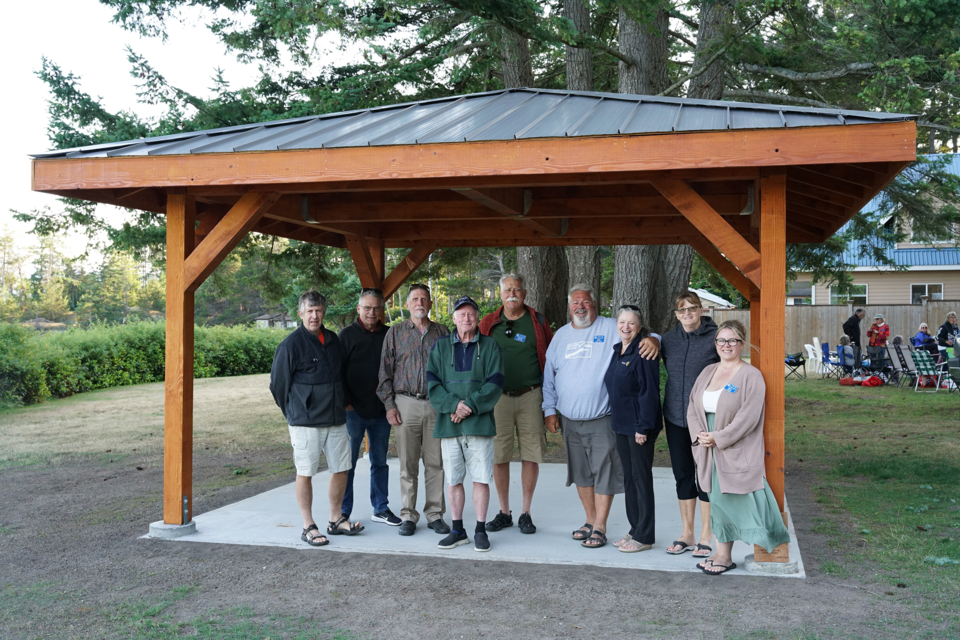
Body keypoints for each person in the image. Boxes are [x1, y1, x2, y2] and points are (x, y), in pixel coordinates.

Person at [542, 284, 659, 550]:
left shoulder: (611, 326)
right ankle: (589, 520)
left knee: (604, 471)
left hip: (602, 417)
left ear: (595, 305)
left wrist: (655, 339)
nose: (580, 307)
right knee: (581, 473)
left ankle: (601, 527)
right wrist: (549, 409)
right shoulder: (560, 336)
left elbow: (643, 335)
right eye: (575, 303)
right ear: (569, 306)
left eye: (585, 302)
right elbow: (549, 376)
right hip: (569, 419)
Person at [686, 320, 790, 575]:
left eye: (732, 340)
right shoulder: (707, 372)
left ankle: (763, 545)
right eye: (721, 340)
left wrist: (719, 438)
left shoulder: (750, 375)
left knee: (737, 500)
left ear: (742, 343)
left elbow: (749, 416)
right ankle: (723, 554)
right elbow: (692, 407)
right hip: (706, 448)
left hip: (734, 447)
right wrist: (700, 436)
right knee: (716, 502)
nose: (726, 345)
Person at [270, 289, 363, 547]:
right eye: (309, 311)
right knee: (306, 472)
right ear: (300, 313)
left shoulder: (333, 340)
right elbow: (278, 386)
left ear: (324, 312)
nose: (314, 316)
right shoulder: (290, 345)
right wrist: (295, 412)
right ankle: (308, 525)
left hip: (335, 419)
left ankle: (335, 520)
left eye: (318, 310)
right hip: (305, 422)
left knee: (342, 468)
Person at [427, 296, 504, 552]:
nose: (466, 318)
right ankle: (457, 529)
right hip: (449, 425)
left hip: (479, 424)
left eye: (471, 314)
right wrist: (453, 406)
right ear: (454, 318)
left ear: (477, 317)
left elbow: (495, 383)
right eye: (461, 314)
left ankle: (480, 530)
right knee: (453, 480)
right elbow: (433, 384)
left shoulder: (490, 346)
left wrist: (468, 406)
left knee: (481, 479)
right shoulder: (440, 347)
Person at [478, 274, 554, 535]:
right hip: (497, 398)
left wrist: (552, 403)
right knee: (499, 456)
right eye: (508, 289)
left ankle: (525, 512)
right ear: (500, 294)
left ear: (525, 293)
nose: (512, 294)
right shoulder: (488, 323)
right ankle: (504, 512)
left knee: (531, 454)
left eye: (517, 289)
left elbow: (553, 361)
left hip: (531, 395)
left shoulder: (537, 321)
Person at [377, 284, 451, 537]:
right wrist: (389, 405)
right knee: (407, 464)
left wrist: (448, 403)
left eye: (424, 299)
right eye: (415, 299)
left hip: (435, 404)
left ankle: (435, 514)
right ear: (407, 305)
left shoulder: (442, 332)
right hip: (405, 403)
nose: (420, 302)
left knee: (436, 463)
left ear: (430, 304)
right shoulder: (395, 333)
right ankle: (408, 514)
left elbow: (451, 370)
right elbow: (384, 372)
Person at [659, 291, 718, 558]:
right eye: (682, 310)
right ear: (676, 314)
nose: (687, 314)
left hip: (704, 419)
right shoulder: (669, 340)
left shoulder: (715, 338)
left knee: (704, 475)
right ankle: (687, 533)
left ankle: (707, 534)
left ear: (701, 310)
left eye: (692, 309)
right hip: (674, 417)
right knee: (682, 474)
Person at [338, 288, 401, 527]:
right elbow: (338, 373)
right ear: (358, 309)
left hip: (383, 411)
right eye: (367, 308)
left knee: (380, 461)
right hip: (353, 412)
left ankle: (381, 508)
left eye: (376, 308)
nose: (371, 312)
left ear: (382, 310)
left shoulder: (390, 334)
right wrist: (347, 404)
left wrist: (391, 404)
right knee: (348, 463)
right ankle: (343, 511)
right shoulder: (346, 336)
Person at [603, 305, 663, 553]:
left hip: (639, 428)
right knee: (629, 479)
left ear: (639, 327)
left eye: (631, 323)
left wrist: (643, 427)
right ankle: (635, 528)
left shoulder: (644, 351)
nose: (625, 327)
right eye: (621, 322)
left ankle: (645, 536)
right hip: (621, 426)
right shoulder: (619, 350)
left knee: (641, 479)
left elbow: (649, 392)